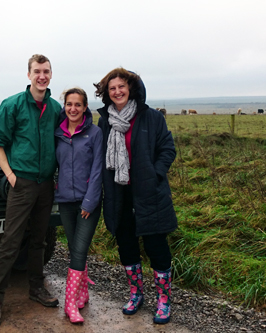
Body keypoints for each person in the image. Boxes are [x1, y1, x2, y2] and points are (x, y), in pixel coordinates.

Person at [94, 68, 177, 325]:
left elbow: (167, 148)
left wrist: (155, 173)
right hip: (119, 193)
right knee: (126, 244)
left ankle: (163, 299)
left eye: (121, 86)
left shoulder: (151, 117)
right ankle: (136, 293)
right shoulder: (105, 120)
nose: (117, 91)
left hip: (148, 191)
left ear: (131, 88)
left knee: (156, 246)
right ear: (107, 93)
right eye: (112, 88)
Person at [0, 54, 62, 326]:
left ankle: (36, 288)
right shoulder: (13, 105)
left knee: (39, 240)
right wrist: (10, 175)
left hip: (46, 185)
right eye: (37, 71)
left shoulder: (55, 108)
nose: (42, 76)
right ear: (29, 74)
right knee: (11, 241)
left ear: (51, 75)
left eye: (47, 71)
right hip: (22, 183)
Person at [54, 87, 103, 323]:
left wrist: (90, 201)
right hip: (64, 201)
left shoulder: (94, 133)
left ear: (85, 108)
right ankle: (82, 292)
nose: (73, 109)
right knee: (75, 250)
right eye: (69, 104)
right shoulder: (58, 133)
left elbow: (97, 171)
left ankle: (70, 304)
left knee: (79, 251)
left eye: (78, 105)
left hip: (87, 203)